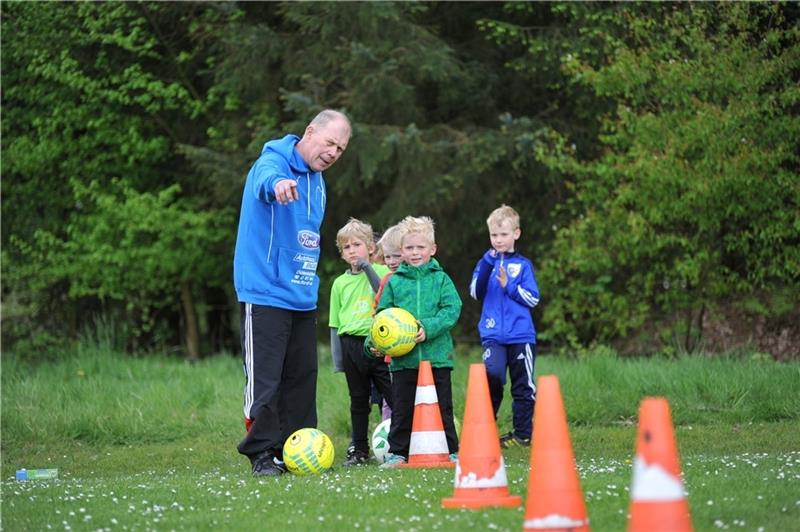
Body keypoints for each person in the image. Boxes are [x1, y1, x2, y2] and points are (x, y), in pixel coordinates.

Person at [233, 109, 352, 477]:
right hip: (265, 290)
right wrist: (277, 185)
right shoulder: (273, 162)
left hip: (301, 292)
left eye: (341, 149)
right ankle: (261, 453)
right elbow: (264, 181)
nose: (333, 152)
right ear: (310, 132)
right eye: (330, 143)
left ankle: (297, 449)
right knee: (265, 378)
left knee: (301, 378)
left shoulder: (318, 182)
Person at [366, 216, 462, 467]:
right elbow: (382, 318)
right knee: (402, 409)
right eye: (409, 248)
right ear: (401, 251)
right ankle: (398, 453)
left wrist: (428, 327)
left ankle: (452, 450)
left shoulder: (441, 279)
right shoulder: (395, 283)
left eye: (421, 247)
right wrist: (373, 342)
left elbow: (452, 309)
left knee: (443, 407)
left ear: (432, 249)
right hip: (403, 362)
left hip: (437, 358)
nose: (415, 252)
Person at [469, 204, 540, 448]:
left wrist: (509, 285)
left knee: (523, 386)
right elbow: (475, 293)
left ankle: (523, 434)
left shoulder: (523, 265)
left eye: (504, 234)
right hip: (492, 335)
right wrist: (487, 264)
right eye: (494, 235)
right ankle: (487, 430)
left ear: (516, 234)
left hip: (521, 336)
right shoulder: (484, 263)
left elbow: (533, 298)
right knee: (493, 376)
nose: (498, 240)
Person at [329, 218, 393, 466]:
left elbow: (383, 292)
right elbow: (335, 324)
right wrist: (338, 360)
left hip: (378, 342)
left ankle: (398, 443)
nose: (353, 250)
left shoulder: (381, 272)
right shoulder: (339, 284)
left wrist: (368, 268)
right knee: (358, 400)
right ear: (342, 254)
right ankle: (359, 448)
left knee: (392, 396)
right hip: (350, 346)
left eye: (357, 244)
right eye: (347, 247)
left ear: (371, 248)